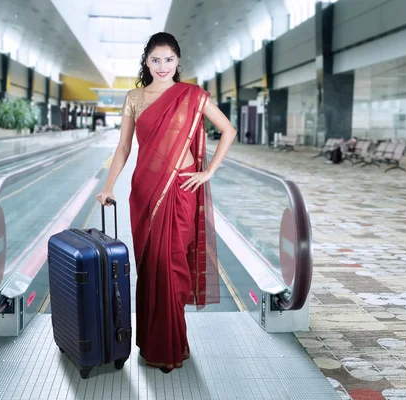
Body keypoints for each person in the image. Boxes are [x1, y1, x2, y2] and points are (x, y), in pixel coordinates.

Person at [95, 32, 237, 373]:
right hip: (145, 191)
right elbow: (124, 149)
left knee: (173, 268)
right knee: (151, 267)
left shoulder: (192, 96)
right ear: (146, 61)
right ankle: (154, 341)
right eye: (155, 60)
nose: (162, 66)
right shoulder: (134, 98)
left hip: (181, 191)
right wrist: (109, 185)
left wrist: (208, 172)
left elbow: (228, 131)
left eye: (168, 60)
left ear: (177, 62)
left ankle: (172, 344)